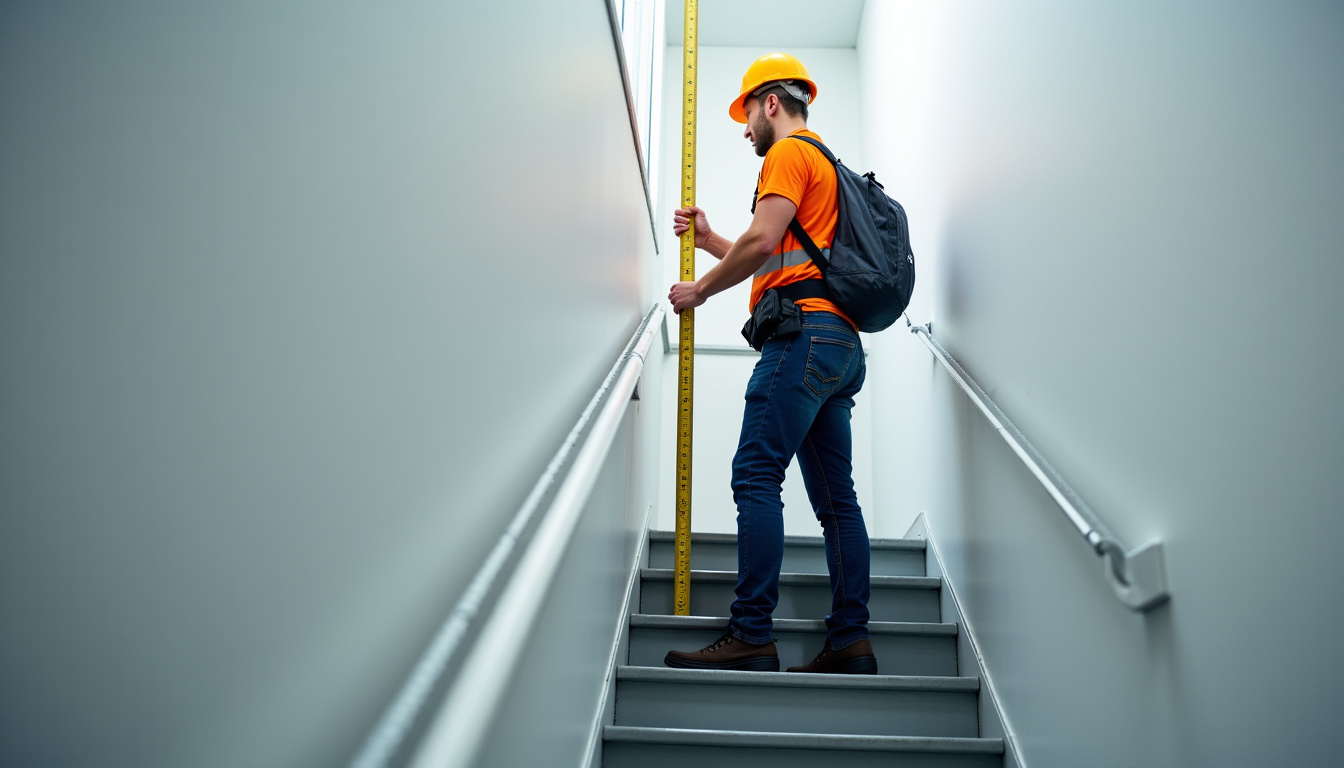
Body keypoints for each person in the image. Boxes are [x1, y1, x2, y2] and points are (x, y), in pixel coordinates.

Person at [663, 53, 876, 675]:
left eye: (748, 112)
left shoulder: (786, 153)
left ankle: (751, 632)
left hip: (801, 338)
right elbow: (777, 253)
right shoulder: (825, 162)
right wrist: (710, 241)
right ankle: (850, 641)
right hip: (839, 345)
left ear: (772, 103)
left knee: (756, 473)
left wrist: (699, 290)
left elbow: (761, 243)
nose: (746, 129)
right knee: (837, 501)